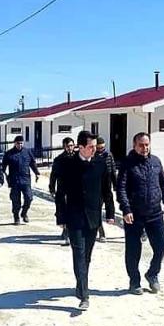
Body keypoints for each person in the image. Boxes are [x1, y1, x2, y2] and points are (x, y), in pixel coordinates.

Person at [54, 131, 114, 311]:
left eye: (95, 146)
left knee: (86, 256)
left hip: (93, 217)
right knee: (79, 254)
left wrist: (110, 212)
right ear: (80, 147)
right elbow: (60, 193)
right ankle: (84, 295)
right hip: (74, 218)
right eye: (91, 147)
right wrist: (61, 217)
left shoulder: (100, 163)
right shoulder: (67, 165)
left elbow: (107, 190)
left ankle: (80, 285)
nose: (94, 150)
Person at [117, 132, 164, 295]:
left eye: (147, 145)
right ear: (134, 146)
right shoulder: (127, 164)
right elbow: (121, 188)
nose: (144, 148)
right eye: (141, 145)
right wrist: (126, 209)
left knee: (161, 246)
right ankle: (134, 282)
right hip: (134, 214)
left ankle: (152, 274)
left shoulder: (156, 161)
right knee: (133, 250)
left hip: (155, 212)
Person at [2, 135, 40, 225]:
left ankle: (24, 212)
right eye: (18, 143)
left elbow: (32, 163)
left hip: (25, 180)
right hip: (14, 180)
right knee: (15, 200)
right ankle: (16, 217)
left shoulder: (27, 152)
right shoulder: (9, 153)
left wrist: (37, 173)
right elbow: (3, 167)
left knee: (29, 198)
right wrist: (4, 176)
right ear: (15, 143)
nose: (20, 145)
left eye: (21, 143)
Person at [49, 136, 76, 245]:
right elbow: (53, 175)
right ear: (64, 147)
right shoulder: (59, 159)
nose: (70, 148)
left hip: (75, 189)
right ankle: (66, 231)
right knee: (63, 211)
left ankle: (70, 231)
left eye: (71, 145)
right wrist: (52, 188)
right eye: (68, 146)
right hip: (63, 189)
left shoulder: (78, 157)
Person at [94, 137, 116, 242]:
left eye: (102, 148)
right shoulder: (93, 155)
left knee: (109, 201)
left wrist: (115, 184)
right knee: (96, 210)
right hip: (96, 185)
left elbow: (113, 169)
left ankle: (110, 217)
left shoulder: (109, 155)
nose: (100, 150)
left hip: (107, 184)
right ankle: (101, 232)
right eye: (98, 148)